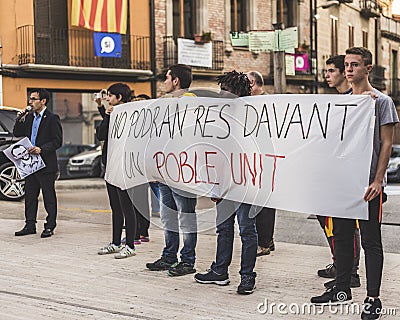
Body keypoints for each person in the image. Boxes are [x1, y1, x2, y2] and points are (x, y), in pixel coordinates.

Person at [311, 47, 399, 320]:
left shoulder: (381, 102)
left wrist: (377, 181)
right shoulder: (341, 102)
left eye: (355, 65)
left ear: (368, 68)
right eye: (346, 64)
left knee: (371, 242)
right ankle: (341, 288)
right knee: (342, 237)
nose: (348, 69)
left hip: (368, 185)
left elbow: (387, 143)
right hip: (342, 184)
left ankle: (373, 299)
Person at [194, 70, 258, 295]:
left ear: (238, 92)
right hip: (225, 183)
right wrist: (215, 184)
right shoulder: (220, 115)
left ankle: (247, 276)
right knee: (224, 228)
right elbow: (216, 151)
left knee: (247, 230)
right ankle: (220, 271)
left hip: (246, 183)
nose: (222, 94)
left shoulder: (254, 114)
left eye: (227, 90)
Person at [146, 64, 198, 276]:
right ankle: (169, 256)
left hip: (183, 172)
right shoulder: (166, 105)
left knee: (186, 217)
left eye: (166, 78)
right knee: (168, 216)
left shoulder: (192, 103)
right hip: (165, 172)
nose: (164, 82)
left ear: (176, 81)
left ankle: (187, 261)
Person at [316, 55, 361, 290]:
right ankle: (340, 264)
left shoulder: (357, 100)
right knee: (328, 220)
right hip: (331, 174)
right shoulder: (335, 101)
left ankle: (350, 271)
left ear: (344, 73)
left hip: (347, 176)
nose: (327, 75)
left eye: (332, 71)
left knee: (345, 224)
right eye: (327, 71)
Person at [96, 83, 138, 259]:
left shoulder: (132, 114)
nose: (107, 98)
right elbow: (101, 135)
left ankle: (130, 245)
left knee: (127, 207)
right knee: (115, 206)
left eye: (110, 96)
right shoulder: (112, 114)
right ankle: (115, 242)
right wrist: (106, 116)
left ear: (119, 97)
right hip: (110, 164)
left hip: (125, 166)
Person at [14, 88, 62, 238]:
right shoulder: (29, 117)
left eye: (34, 99)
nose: (30, 102)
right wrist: (19, 119)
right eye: (30, 99)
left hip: (46, 163)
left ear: (43, 101)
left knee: (48, 196)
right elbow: (17, 133)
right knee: (29, 195)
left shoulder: (52, 118)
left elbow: (57, 141)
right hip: (30, 164)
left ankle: (49, 226)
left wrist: (41, 149)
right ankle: (29, 225)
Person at [246, 70, 276, 257]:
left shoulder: (267, 104)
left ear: (255, 84)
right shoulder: (250, 104)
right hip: (254, 160)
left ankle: (264, 242)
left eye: (248, 83)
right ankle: (267, 240)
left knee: (263, 204)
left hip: (266, 160)